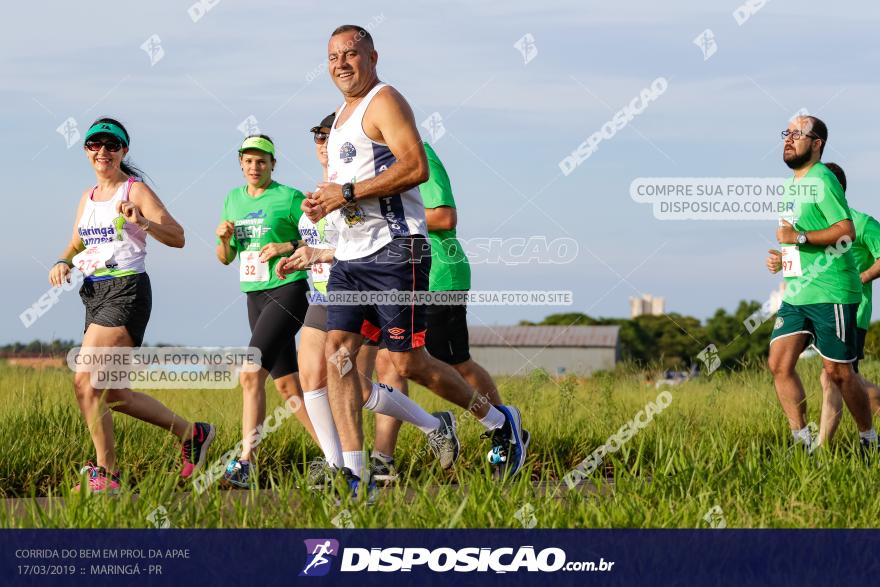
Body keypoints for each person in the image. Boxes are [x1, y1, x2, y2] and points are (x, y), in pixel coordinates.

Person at [303, 25, 527, 493]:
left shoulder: (384, 100)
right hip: (351, 256)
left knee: (408, 364)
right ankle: (355, 472)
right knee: (338, 354)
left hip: (395, 250)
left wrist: (345, 191)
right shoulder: (342, 116)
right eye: (332, 57)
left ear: (372, 56)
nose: (341, 63)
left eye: (350, 53)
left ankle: (500, 423)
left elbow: (415, 167)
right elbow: (354, 191)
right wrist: (325, 203)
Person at [276, 114, 459, 489]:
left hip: (365, 280)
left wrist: (324, 249)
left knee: (359, 385)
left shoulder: (366, 177)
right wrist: (299, 250)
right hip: (328, 287)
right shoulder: (319, 189)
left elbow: (368, 236)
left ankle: (432, 425)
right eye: (318, 138)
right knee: (311, 374)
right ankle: (337, 465)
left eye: (330, 137)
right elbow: (337, 240)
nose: (324, 145)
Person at [49, 117, 214, 492]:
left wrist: (143, 223)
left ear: (123, 151)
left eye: (111, 145)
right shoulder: (87, 198)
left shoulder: (134, 191)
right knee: (113, 393)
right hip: (94, 295)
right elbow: (76, 243)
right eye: (95, 145)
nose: (103, 152)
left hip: (127, 291)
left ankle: (107, 475)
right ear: (87, 150)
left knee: (85, 381)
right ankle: (192, 433)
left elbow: (179, 236)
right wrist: (62, 261)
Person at [370, 141, 530, 481]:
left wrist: (387, 220)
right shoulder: (370, 164)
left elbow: (444, 215)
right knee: (390, 361)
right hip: (400, 275)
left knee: (454, 361)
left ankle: (504, 432)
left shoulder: (416, 153)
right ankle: (382, 459)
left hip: (440, 274)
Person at [765, 115, 877, 451]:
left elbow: (846, 231)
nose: (790, 138)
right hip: (798, 292)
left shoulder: (822, 179)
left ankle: (868, 439)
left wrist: (797, 237)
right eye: (787, 132)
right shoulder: (790, 186)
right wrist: (780, 258)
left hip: (831, 291)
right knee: (779, 363)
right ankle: (801, 442)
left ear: (817, 144)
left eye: (799, 134)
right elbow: (793, 243)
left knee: (839, 374)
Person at [215, 134, 317, 488]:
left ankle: (246, 463)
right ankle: (339, 458)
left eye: (262, 161)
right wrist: (224, 239)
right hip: (254, 296)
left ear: (273, 164)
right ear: (241, 164)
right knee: (289, 388)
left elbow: (323, 235)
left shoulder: (289, 197)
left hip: (288, 291)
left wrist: (285, 245)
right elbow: (226, 258)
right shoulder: (232, 199)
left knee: (249, 372)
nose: (255, 167)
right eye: (248, 161)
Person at [808, 163, 880, 445]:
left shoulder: (862, 224)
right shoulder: (818, 229)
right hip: (822, 312)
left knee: (834, 378)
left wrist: (860, 277)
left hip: (852, 313)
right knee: (844, 378)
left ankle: (822, 449)